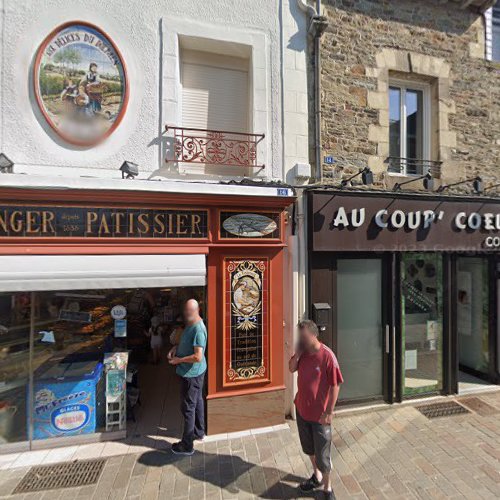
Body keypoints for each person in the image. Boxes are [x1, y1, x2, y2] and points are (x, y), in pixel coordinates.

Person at [289, 320, 343, 500]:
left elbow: (335, 385)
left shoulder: (327, 356)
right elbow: (291, 369)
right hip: (302, 410)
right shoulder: (302, 353)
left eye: (303, 336)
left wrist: (329, 412)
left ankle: (328, 488)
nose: (301, 340)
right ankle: (316, 476)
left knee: (323, 454)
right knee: (309, 448)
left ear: (313, 335)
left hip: (320, 416)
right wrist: (297, 355)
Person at [168, 299, 207, 455]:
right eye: (185, 311)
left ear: (196, 311)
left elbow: (198, 356)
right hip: (193, 372)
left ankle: (187, 445)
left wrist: (179, 360)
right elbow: (185, 342)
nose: (186, 314)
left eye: (188, 312)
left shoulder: (199, 329)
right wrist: (175, 348)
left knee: (188, 407)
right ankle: (199, 432)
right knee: (197, 401)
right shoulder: (191, 324)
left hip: (192, 374)